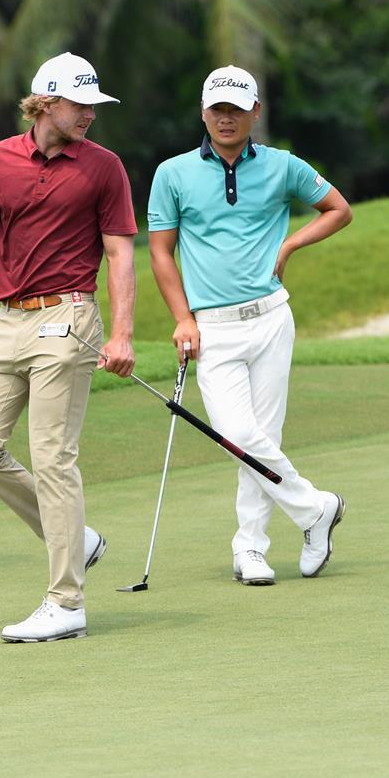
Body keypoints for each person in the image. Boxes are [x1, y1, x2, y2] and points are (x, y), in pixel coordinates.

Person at [0, 52, 137, 641]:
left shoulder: (105, 167)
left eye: (94, 106)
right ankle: (76, 538)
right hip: (7, 321)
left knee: (52, 457)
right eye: (80, 104)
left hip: (70, 315)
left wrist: (121, 332)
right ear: (45, 103)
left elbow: (119, 254)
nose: (90, 114)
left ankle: (67, 602)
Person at [148, 64, 352, 586]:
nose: (227, 118)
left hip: (271, 318)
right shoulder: (172, 173)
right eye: (218, 109)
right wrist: (182, 318)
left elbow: (338, 209)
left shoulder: (283, 166)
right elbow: (161, 253)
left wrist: (291, 243)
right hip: (212, 328)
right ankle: (315, 509)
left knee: (264, 436)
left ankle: (252, 548)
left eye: (237, 109)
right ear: (203, 112)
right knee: (238, 435)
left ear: (255, 112)